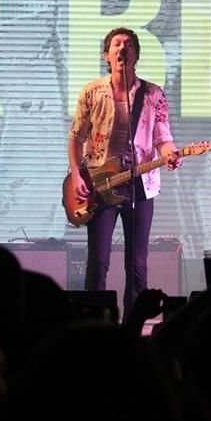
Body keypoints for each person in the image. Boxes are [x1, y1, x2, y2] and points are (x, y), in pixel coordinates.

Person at [68, 27, 181, 318]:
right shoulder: (92, 92)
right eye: (116, 44)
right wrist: (78, 176)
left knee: (138, 261)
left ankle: (135, 320)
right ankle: (95, 320)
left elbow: (162, 137)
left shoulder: (153, 94)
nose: (122, 49)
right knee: (98, 261)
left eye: (128, 45)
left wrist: (170, 154)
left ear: (136, 55)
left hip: (140, 185)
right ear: (107, 55)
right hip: (100, 184)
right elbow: (76, 137)